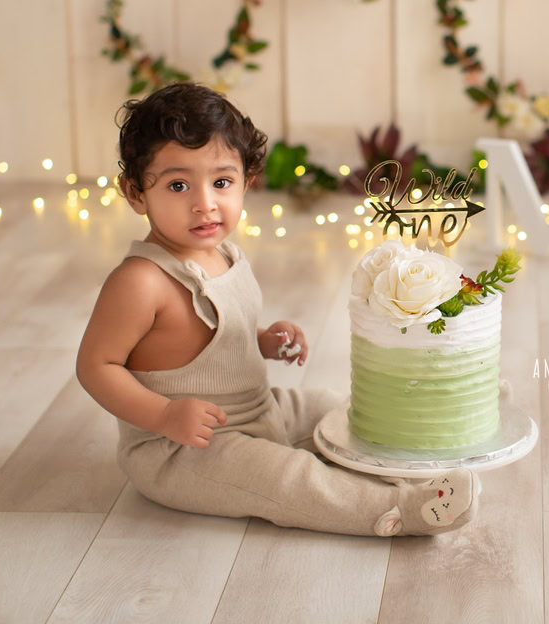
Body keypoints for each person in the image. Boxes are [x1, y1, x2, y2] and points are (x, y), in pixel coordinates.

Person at [75, 82, 479, 536]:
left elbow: (216, 334)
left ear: (247, 181)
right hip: (183, 446)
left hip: (258, 409)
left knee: (335, 411)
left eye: (222, 182)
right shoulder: (141, 281)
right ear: (135, 193)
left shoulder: (223, 253)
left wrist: (264, 338)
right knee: (285, 477)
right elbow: (96, 366)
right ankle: (399, 509)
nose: (204, 202)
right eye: (178, 185)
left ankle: (420, 469)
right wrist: (163, 417)